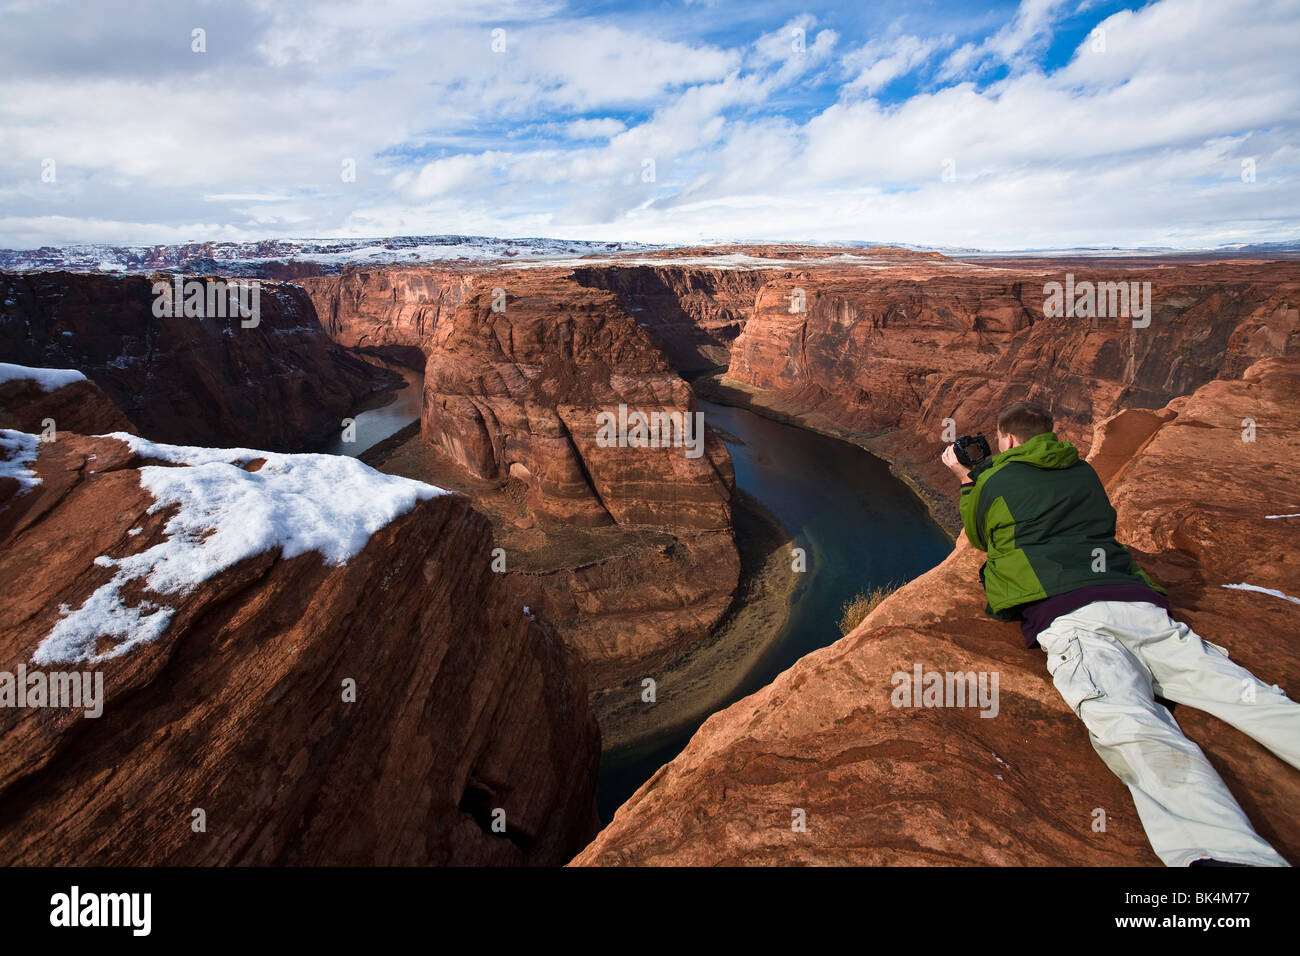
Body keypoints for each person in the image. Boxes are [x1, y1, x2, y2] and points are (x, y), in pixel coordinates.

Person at [941, 400, 1299, 867]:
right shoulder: (1084, 472)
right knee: (1241, 690)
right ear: (1049, 433)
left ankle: (1227, 858)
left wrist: (968, 479)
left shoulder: (993, 482)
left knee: (1131, 725)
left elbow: (982, 535)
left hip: (1072, 615)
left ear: (1006, 439)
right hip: (1136, 602)